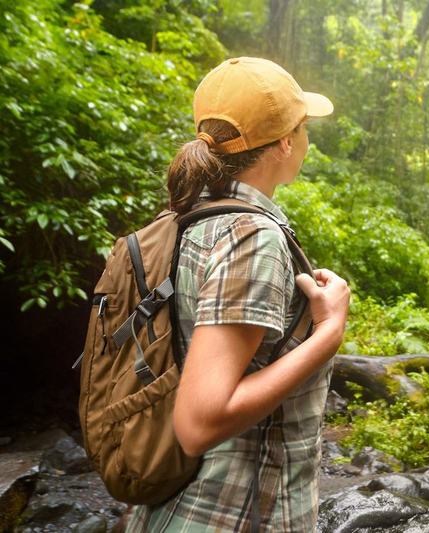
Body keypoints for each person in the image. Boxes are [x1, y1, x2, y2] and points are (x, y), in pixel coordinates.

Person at [126, 57, 350, 532]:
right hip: (234, 514)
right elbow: (199, 423)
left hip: (174, 506)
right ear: (287, 142)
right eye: (303, 127)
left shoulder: (190, 221)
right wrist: (327, 334)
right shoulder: (251, 238)